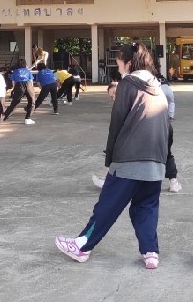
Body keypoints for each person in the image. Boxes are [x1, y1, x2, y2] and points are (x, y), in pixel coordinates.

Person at [56, 42, 169, 269]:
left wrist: (110, 160)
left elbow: (116, 124)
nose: (118, 66)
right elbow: (168, 126)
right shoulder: (159, 86)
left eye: (119, 62)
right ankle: (150, 252)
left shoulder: (127, 84)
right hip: (156, 160)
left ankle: (82, 246)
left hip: (128, 159)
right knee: (146, 207)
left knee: (107, 206)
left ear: (128, 62)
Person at [3, 58, 36, 125]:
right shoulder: (27, 70)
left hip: (19, 85)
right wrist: (32, 88)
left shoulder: (15, 71)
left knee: (14, 103)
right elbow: (31, 80)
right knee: (32, 102)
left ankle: (3, 118)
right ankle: (27, 118)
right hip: (28, 84)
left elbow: (13, 82)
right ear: (25, 64)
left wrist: (14, 89)